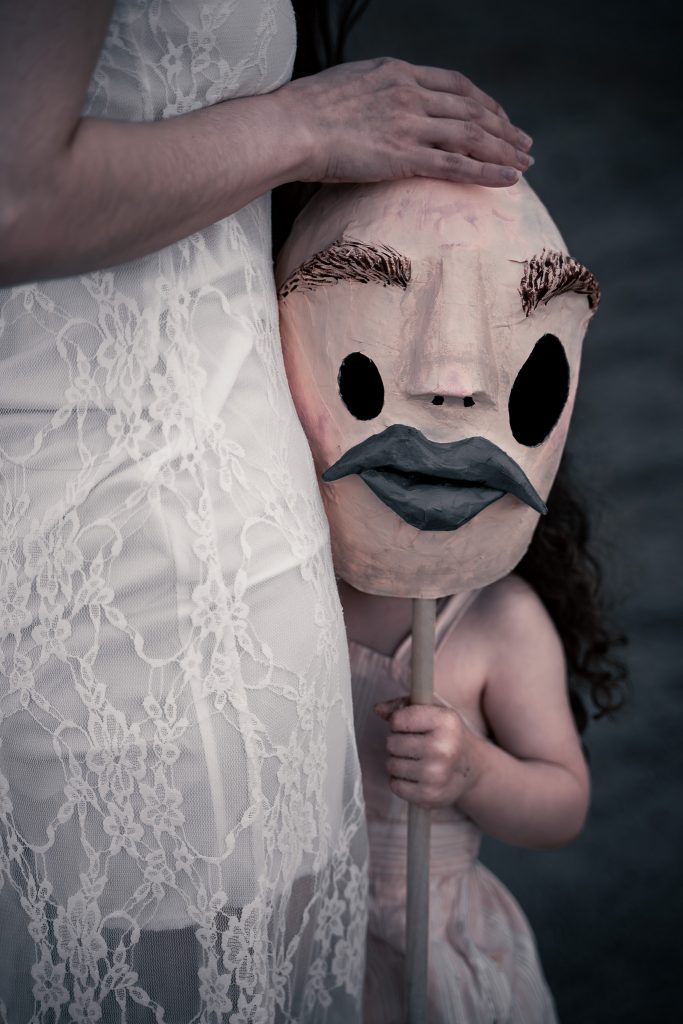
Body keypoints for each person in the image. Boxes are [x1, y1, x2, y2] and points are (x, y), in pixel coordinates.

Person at [0, 1, 537, 1021]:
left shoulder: (495, 623)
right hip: (129, 558)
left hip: (211, 506)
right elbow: (14, 192)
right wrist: (309, 125)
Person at [340, 455, 626, 1023]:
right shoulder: (296, 584)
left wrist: (473, 769)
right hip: (293, 924)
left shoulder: (500, 619)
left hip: (421, 940)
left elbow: (563, 806)